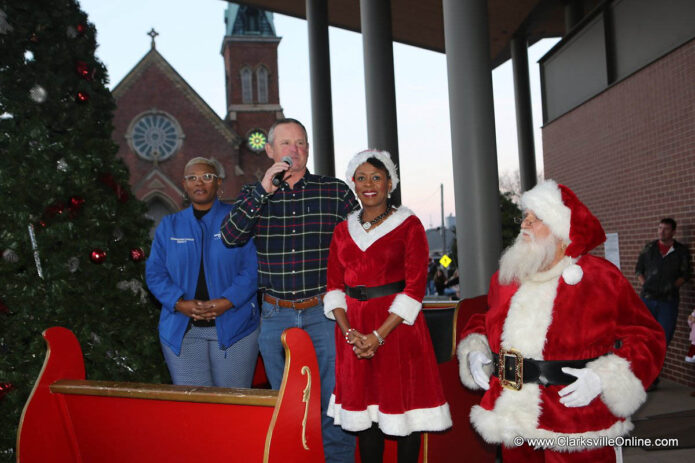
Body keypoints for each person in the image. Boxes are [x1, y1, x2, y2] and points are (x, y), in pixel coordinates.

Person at [457, 180, 665, 462]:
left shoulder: (600, 277)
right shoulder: (507, 278)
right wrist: (476, 349)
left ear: (562, 230)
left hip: (576, 421)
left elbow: (647, 336)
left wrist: (604, 378)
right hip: (512, 416)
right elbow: (486, 319)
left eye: (536, 218)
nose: (524, 225)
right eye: (525, 217)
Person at [220, 118, 358, 462]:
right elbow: (230, 236)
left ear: (308, 150)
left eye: (301, 143)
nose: (294, 150)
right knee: (289, 406)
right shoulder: (256, 194)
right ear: (270, 151)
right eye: (286, 144)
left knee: (331, 403)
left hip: (323, 314)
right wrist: (262, 191)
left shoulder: (335, 191)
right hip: (275, 315)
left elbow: (363, 245)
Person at [324, 149, 452, 463]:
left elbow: (414, 288)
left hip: (398, 330)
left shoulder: (409, 225)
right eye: (361, 177)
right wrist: (351, 333)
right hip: (353, 335)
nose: (369, 184)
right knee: (366, 423)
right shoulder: (342, 231)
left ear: (389, 183)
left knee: (403, 418)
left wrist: (378, 336)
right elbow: (334, 288)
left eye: (376, 177)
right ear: (353, 184)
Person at [146, 157, 259, 387]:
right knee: (195, 407)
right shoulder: (170, 226)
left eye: (207, 176)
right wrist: (178, 303)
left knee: (232, 405)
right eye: (192, 178)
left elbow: (253, 268)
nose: (199, 182)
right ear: (185, 186)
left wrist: (227, 301)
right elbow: (155, 274)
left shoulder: (237, 220)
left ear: (219, 184)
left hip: (234, 326)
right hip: (182, 329)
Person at [635, 218, 691, 346]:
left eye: (666, 229)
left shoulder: (680, 251)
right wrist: (646, 284)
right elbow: (639, 270)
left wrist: (671, 287)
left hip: (668, 301)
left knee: (664, 337)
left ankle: (657, 364)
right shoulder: (649, 248)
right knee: (645, 336)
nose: (661, 231)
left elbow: (685, 274)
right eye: (660, 228)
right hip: (648, 299)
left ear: (673, 232)